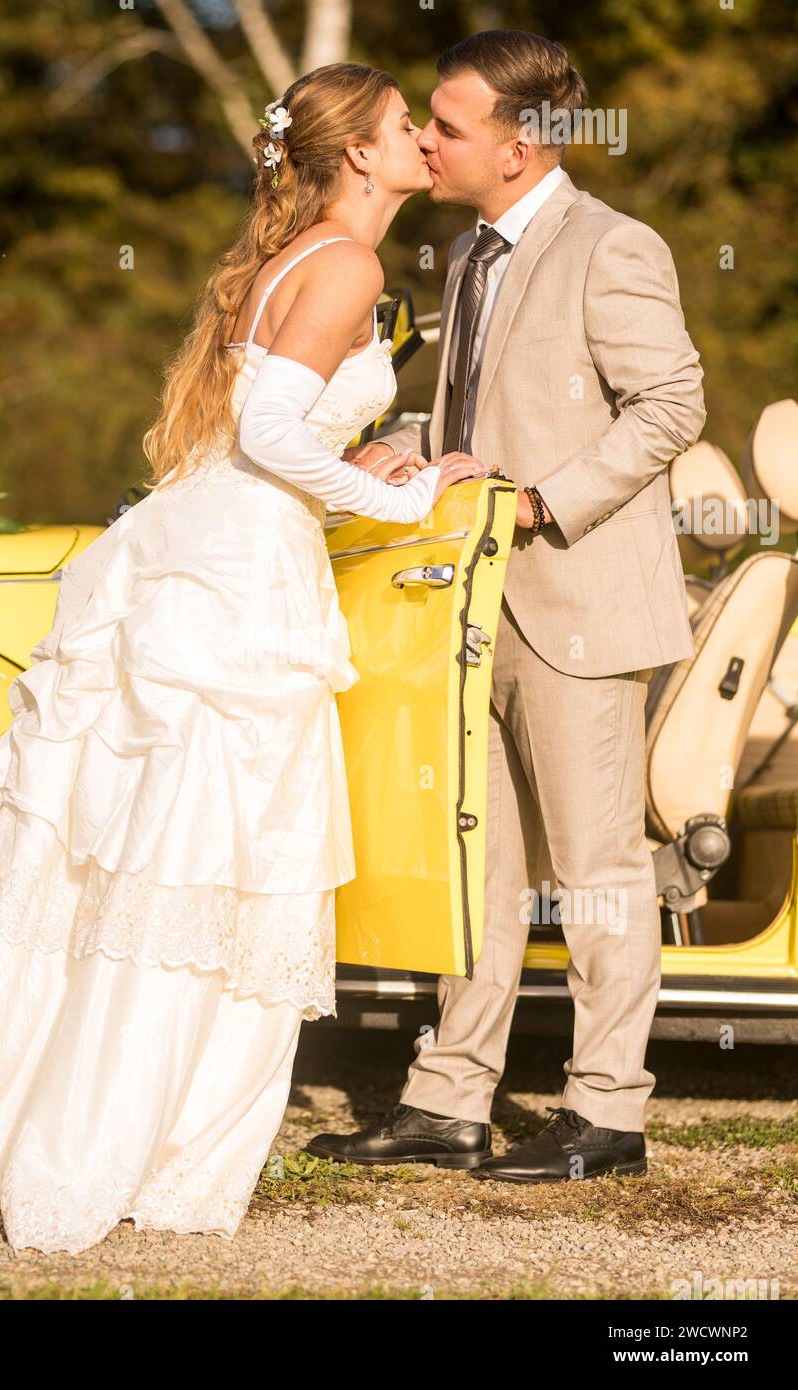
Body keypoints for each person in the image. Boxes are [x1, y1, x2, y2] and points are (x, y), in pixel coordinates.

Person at [0, 62, 490, 1253]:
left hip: (205, 549)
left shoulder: (285, 260)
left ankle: (0, 1126)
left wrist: (366, 470)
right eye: (403, 128)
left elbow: (264, 443)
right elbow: (274, 432)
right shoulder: (346, 263)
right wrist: (398, 500)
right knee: (200, 874)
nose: (423, 145)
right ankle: (118, 1151)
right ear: (355, 156)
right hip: (236, 593)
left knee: (114, 872)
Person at [309, 30, 705, 1182]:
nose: (425, 140)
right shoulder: (465, 252)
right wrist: (399, 448)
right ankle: (446, 1099)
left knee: (594, 871)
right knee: (470, 863)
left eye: (446, 125)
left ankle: (607, 1115)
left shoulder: (610, 245)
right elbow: (482, 418)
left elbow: (669, 404)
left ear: (519, 146)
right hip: (469, 608)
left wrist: (541, 504)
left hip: (577, 604)